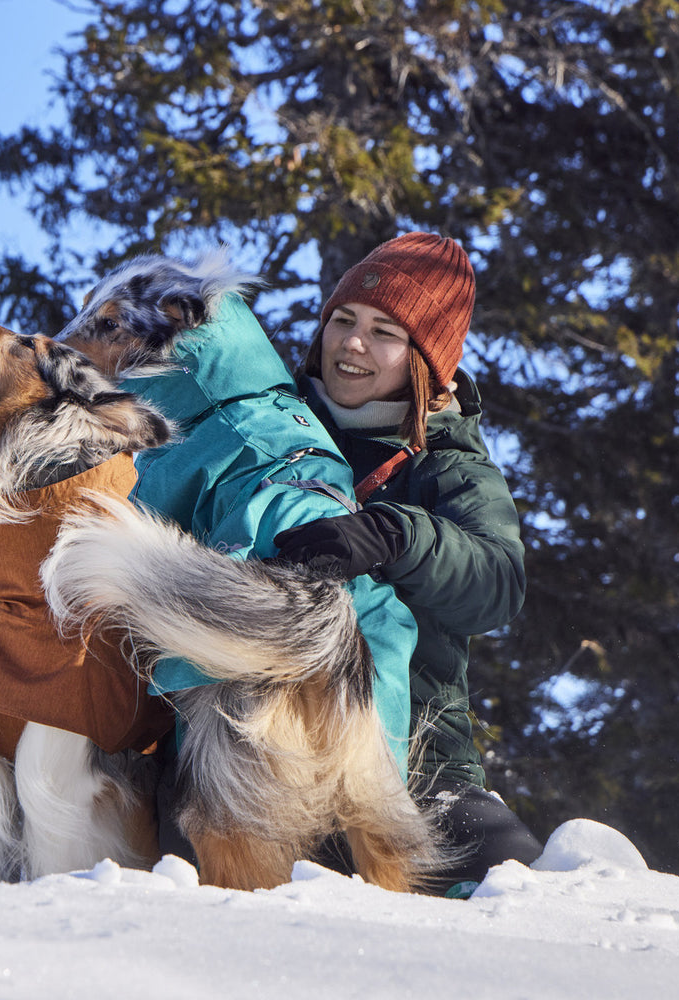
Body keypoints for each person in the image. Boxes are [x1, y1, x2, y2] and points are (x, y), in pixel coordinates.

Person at [273, 232, 543, 897]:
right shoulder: (273, 434)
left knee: (517, 884)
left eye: (384, 331)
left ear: (424, 359)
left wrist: (395, 534)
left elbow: (500, 583)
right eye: (343, 320)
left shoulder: (448, 466)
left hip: (418, 759)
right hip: (266, 741)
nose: (353, 343)